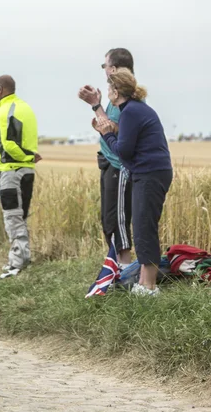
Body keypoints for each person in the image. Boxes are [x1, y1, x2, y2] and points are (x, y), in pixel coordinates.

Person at [93, 68, 172, 296]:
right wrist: (109, 131)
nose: (107, 93)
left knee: (144, 227)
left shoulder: (130, 112)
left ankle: (148, 287)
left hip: (149, 174)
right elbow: (129, 142)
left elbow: (124, 152)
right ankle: (145, 283)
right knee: (143, 226)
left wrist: (107, 134)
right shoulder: (135, 110)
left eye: (109, 89)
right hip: (152, 172)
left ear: (116, 92)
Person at [79, 48, 136, 268]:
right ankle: (117, 267)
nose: (104, 71)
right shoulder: (115, 94)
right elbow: (110, 128)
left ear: (113, 68)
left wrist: (95, 105)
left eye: (105, 66)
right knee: (108, 219)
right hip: (108, 162)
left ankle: (125, 269)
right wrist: (100, 106)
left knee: (117, 220)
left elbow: (119, 129)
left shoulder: (127, 95)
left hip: (119, 165)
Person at [0, 75, 39, 278]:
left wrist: (25, 156)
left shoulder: (5, 110)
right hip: (28, 170)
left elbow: (8, 144)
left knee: (12, 218)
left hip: (11, 170)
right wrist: (30, 157)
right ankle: (21, 258)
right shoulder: (25, 107)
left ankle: (17, 263)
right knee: (21, 216)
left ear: (1, 89)